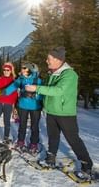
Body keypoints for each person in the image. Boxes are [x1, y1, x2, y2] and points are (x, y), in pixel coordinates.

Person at [25, 46, 93, 179]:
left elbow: (59, 90)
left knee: (73, 140)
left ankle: (87, 166)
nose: (46, 61)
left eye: (49, 58)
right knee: (53, 137)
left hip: (65, 114)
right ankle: (51, 159)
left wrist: (37, 88)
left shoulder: (69, 74)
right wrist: (39, 98)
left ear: (58, 59)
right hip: (51, 112)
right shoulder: (53, 73)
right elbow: (49, 92)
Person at [5, 62, 43, 154]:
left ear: (29, 69)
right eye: (22, 68)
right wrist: (3, 92)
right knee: (22, 125)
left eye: (24, 68)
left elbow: (42, 92)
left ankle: (34, 143)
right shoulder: (20, 79)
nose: (22, 69)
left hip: (35, 106)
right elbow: (13, 87)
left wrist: (36, 97)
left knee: (34, 126)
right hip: (22, 106)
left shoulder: (37, 80)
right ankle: (20, 141)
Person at [0, 63, 18, 144]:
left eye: (8, 70)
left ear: (10, 71)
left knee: (7, 121)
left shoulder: (13, 81)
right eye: (4, 70)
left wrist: (15, 107)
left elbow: (15, 95)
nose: (6, 71)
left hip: (8, 104)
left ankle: (6, 138)